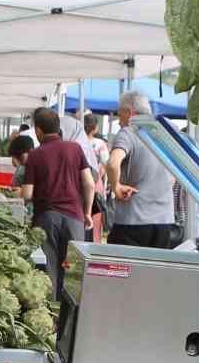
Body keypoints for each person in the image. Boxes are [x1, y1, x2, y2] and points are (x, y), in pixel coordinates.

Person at [20, 107, 94, 293]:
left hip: (47, 218)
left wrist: (16, 195)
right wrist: (87, 212)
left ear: (38, 131)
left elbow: (27, 193)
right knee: (73, 271)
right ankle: (72, 316)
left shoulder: (35, 155)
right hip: (74, 218)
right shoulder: (75, 149)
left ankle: (52, 317)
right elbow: (89, 184)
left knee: (50, 270)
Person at [106, 90, 177, 249]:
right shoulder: (168, 131)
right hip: (164, 220)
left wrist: (116, 187)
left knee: (125, 271)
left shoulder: (128, 132)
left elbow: (112, 163)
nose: (118, 121)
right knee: (155, 271)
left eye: (120, 114)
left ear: (129, 112)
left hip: (133, 220)